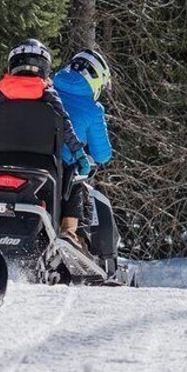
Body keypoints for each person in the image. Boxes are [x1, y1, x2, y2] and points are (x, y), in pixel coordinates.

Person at [0, 39, 92, 248]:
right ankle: (66, 233)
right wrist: (79, 155)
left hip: (0, 164)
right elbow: (66, 127)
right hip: (43, 170)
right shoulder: (50, 97)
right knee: (73, 183)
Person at [52, 48, 113, 249]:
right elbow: (102, 155)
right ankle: (68, 232)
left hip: (31, 157)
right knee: (77, 183)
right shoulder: (92, 109)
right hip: (62, 172)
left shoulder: (48, 89)